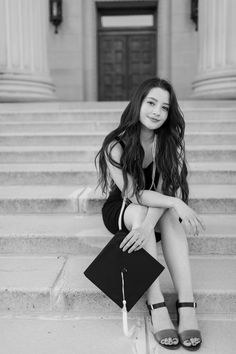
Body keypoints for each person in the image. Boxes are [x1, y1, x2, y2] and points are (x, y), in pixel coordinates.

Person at [95, 77, 205, 351]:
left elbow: (164, 192)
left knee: (166, 213)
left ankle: (187, 302)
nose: (157, 112)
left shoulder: (168, 142)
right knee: (152, 209)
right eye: (151, 103)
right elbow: (134, 194)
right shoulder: (115, 144)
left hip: (155, 210)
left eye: (165, 107)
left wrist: (150, 224)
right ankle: (155, 302)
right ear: (138, 103)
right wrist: (173, 203)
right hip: (123, 207)